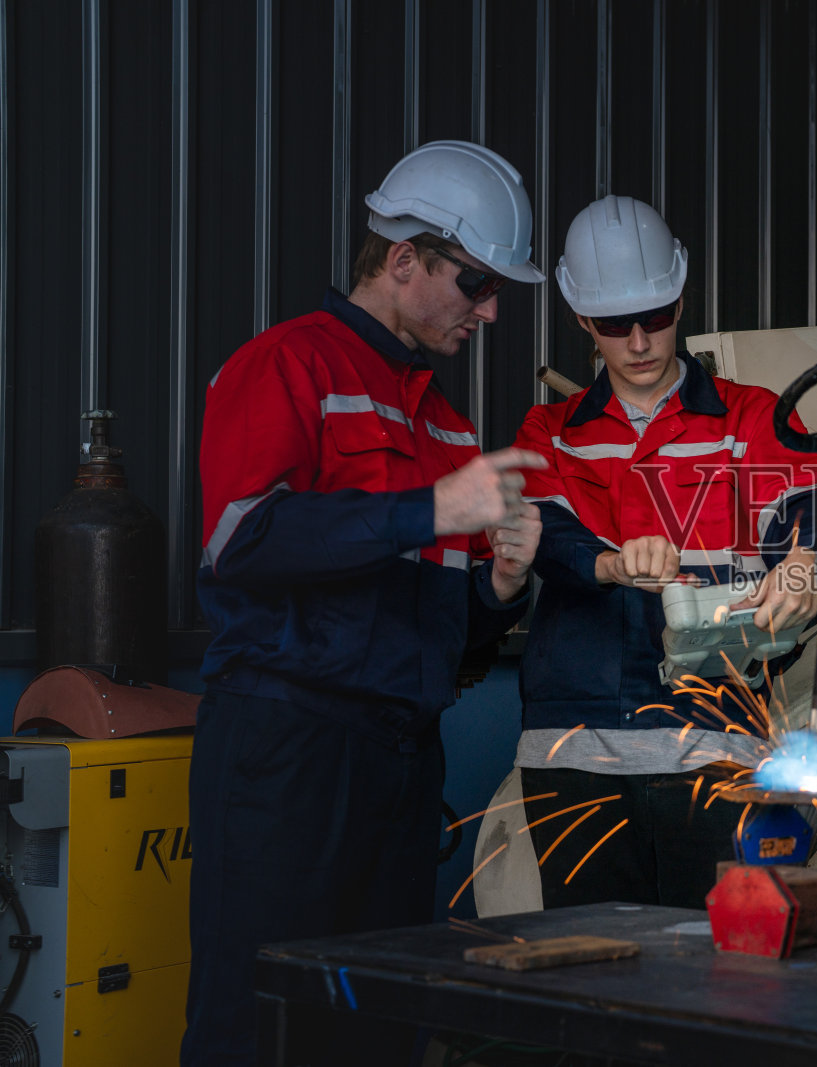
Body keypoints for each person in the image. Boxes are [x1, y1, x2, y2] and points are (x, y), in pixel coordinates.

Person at [185, 140, 547, 1066]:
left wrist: (501, 590)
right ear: (402, 260)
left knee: (378, 1029)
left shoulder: (445, 420)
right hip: (285, 756)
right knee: (258, 1025)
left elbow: (445, 635)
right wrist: (433, 507)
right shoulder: (285, 366)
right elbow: (242, 541)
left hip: (398, 765)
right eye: (475, 282)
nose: (492, 309)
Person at [511, 195, 817, 908]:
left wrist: (804, 560)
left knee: (721, 980)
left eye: (654, 317)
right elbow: (548, 537)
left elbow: (806, 508)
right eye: (613, 324)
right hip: (576, 753)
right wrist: (611, 563)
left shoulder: (753, 417)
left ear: (681, 298)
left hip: (717, 749)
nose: (637, 341)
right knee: (590, 970)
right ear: (580, 319)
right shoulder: (550, 431)